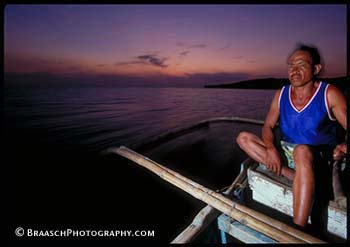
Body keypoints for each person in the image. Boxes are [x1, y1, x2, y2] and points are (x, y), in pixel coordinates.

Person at [236, 43, 347, 228]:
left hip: (317, 158)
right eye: (291, 65)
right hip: (287, 155)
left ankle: (297, 229)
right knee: (243, 138)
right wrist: (271, 149)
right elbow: (268, 126)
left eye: (302, 65)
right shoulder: (282, 93)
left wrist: (344, 145)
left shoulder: (329, 94)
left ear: (316, 69)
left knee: (302, 150)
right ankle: (294, 176)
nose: (294, 70)